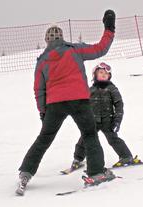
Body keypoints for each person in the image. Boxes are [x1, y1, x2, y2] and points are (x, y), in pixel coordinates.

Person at [16, 10, 117, 195]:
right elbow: (100, 48)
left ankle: (26, 172)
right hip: (79, 100)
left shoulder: (42, 61)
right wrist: (109, 28)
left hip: (55, 105)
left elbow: (39, 89)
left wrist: (42, 111)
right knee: (89, 134)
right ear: (61, 37)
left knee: (44, 139)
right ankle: (95, 173)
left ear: (47, 41)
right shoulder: (75, 49)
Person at [70, 62, 140, 171]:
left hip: (108, 121)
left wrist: (117, 121)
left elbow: (119, 104)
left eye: (106, 74)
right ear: (95, 75)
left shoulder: (112, 88)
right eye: (101, 72)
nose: (103, 75)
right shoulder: (90, 90)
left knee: (113, 139)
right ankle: (77, 159)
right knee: (84, 139)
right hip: (93, 121)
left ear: (109, 76)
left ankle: (126, 157)